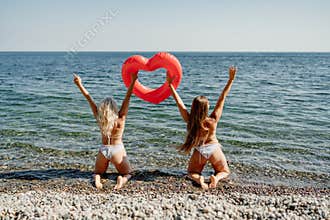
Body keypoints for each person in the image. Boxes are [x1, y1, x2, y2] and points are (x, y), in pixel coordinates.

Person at [167, 67, 237, 189]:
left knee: (192, 173)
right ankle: (217, 178)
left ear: (194, 107)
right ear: (206, 108)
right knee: (224, 172)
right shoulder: (213, 120)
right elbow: (222, 98)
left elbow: (179, 103)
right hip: (214, 148)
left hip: (200, 151)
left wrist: (170, 86)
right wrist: (230, 80)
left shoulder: (190, 120)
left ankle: (200, 179)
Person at [73, 72, 137, 189]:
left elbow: (88, 98)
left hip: (104, 150)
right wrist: (133, 81)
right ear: (115, 108)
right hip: (117, 150)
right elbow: (128, 97)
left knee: (97, 173)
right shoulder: (121, 118)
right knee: (128, 174)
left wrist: (79, 84)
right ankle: (121, 181)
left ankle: (97, 181)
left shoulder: (100, 118)